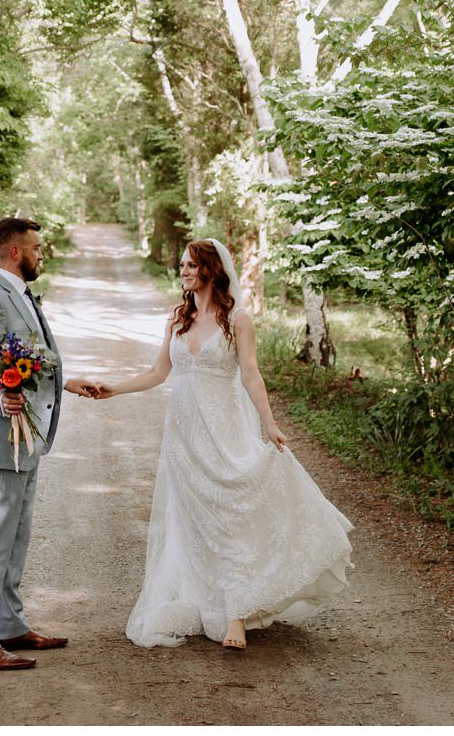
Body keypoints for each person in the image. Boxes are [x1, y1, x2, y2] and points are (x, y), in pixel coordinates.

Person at [96, 237, 354, 650]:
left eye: (189, 265)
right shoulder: (177, 319)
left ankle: (236, 615)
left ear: (210, 270)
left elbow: (251, 375)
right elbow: (157, 373)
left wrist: (269, 425)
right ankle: (209, 598)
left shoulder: (238, 321)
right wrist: (114, 388)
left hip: (224, 433)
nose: (182, 271)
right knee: (197, 523)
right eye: (182, 265)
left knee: (229, 517)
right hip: (183, 438)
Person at [0, 216, 103, 671]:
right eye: (37, 248)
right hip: (1, 442)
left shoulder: (19, 295)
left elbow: (28, 363)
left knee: (15, 539)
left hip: (26, 443)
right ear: (15, 252)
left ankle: (9, 624)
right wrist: (2, 398)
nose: (43, 254)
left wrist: (66, 383)